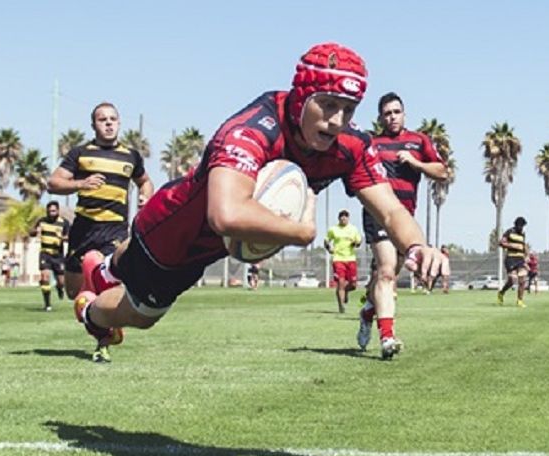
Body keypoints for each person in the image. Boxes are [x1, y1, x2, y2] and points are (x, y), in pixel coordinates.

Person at [73, 43, 445, 363]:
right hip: (173, 232)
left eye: (348, 109)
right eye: (328, 105)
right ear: (302, 96)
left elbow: (392, 209)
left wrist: (417, 246)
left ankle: (104, 270)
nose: (337, 121)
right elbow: (226, 214)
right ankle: (92, 312)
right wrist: (300, 233)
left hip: (211, 246)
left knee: (132, 279)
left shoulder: (351, 147)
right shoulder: (252, 128)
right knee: (143, 314)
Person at [357, 92, 448, 349]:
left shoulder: (418, 141)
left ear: (404, 113)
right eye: (387, 113)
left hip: (405, 219)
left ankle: (367, 312)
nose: (392, 117)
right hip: (377, 214)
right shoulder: (371, 144)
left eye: (396, 112)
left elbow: (442, 171)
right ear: (380, 117)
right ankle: (387, 337)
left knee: (386, 277)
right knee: (386, 271)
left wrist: (416, 163)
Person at [47, 102, 156, 300]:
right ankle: (90, 302)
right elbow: (53, 183)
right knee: (73, 292)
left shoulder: (131, 156)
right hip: (84, 228)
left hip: (115, 229)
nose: (108, 124)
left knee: (112, 284)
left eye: (113, 119)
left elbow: (145, 181)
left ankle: (108, 323)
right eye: (102, 119)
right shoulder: (80, 153)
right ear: (93, 125)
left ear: (119, 123)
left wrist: (145, 196)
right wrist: (81, 184)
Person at [32, 201, 70, 311]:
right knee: (45, 277)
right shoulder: (41, 221)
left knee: (61, 281)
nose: (51, 213)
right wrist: (35, 231)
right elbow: (31, 232)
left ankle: (60, 288)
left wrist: (61, 238)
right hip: (45, 254)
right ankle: (47, 304)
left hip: (58, 256)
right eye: (49, 211)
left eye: (53, 211)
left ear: (58, 211)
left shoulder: (64, 223)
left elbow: (69, 237)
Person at [323, 210, 361, 313]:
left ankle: (346, 292)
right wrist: (329, 248)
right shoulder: (333, 229)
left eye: (345, 217)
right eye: (341, 217)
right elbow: (326, 240)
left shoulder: (353, 229)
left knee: (353, 285)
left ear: (348, 218)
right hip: (338, 259)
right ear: (338, 218)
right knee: (340, 282)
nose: (343, 219)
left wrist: (356, 243)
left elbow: (359, 242)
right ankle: (341, 306)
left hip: (351, 259)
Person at [496, 217, 529, 307]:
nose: (521, 227)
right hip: (510, 259)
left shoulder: (522, 234)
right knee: (512, 280)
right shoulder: (509, 232)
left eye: (523, 226)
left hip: (520, 260)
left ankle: (520, 301)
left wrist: (527, 256)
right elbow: (501, 243)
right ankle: (501, 293)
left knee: (522, 280)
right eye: (520, 226)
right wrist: (513, 246)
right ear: (516, 225)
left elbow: (523, 246)